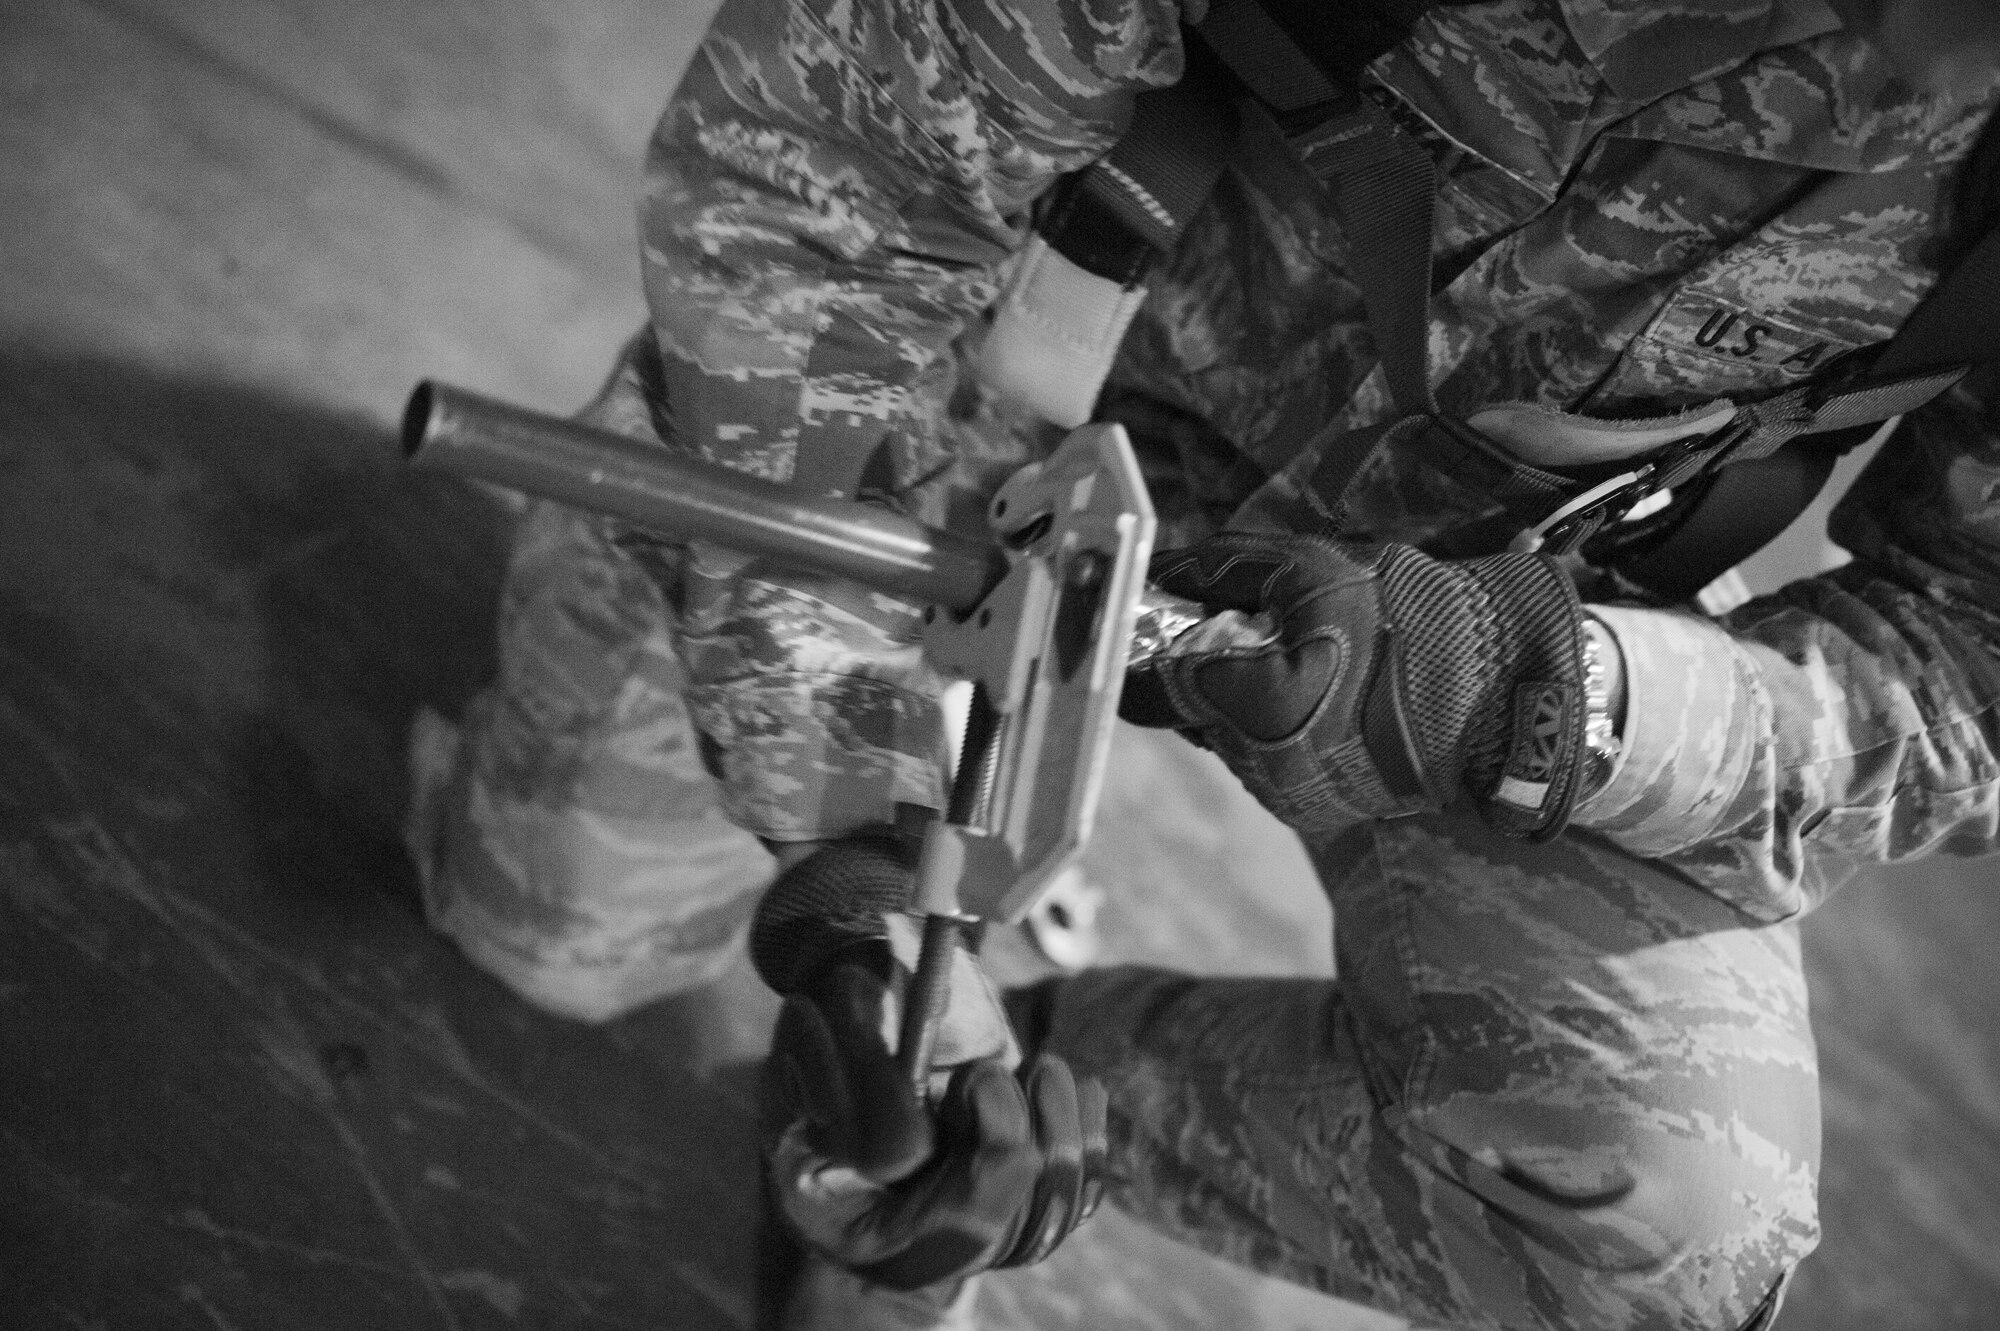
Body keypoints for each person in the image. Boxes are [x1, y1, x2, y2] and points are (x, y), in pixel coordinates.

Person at [403, 0, 2000, 1327]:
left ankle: (1023, 1093)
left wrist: (1565, 704)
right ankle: (915, 968)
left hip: (1485, 624)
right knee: (554, 935)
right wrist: (850, 817)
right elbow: (822, 193)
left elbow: (1967, 666)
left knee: (1672, 1217)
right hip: (994, 418)